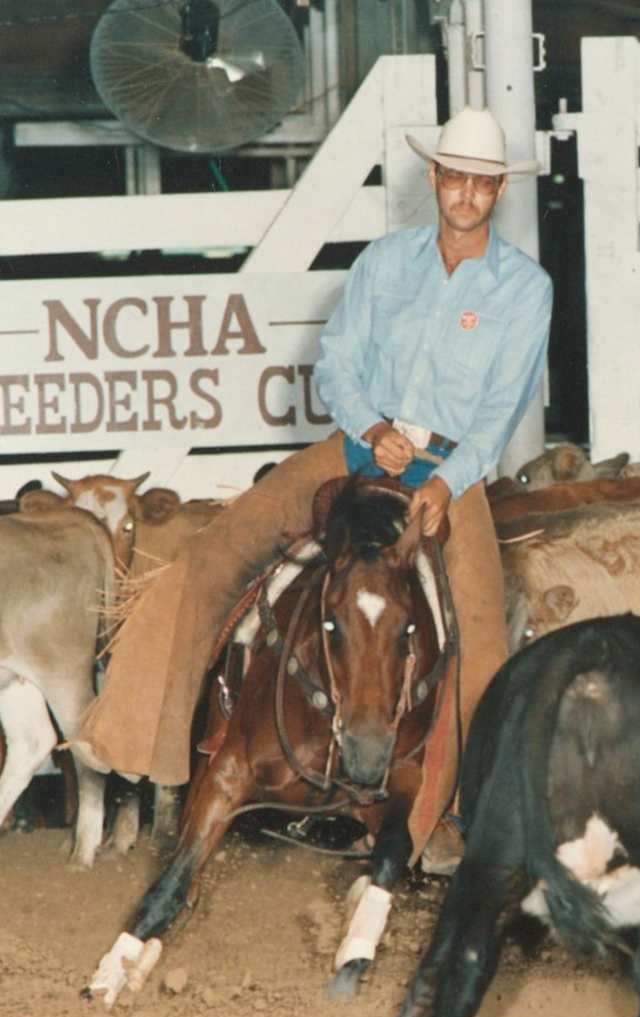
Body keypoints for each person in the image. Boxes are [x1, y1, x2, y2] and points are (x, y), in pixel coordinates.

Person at [76, 105, 553, 872]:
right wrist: (368, 427)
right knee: (212, 553)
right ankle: (156, 750)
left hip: (449, 469)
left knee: (485, 645)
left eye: (482, 182)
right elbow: (336, 363)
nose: (466, 193)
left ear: (499, 191)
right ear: (435, 178)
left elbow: (506, 403)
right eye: (455, 176)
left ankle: (453, 814)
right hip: (356, 446)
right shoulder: (385, 263)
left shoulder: (526, 289)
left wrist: (453, 479)